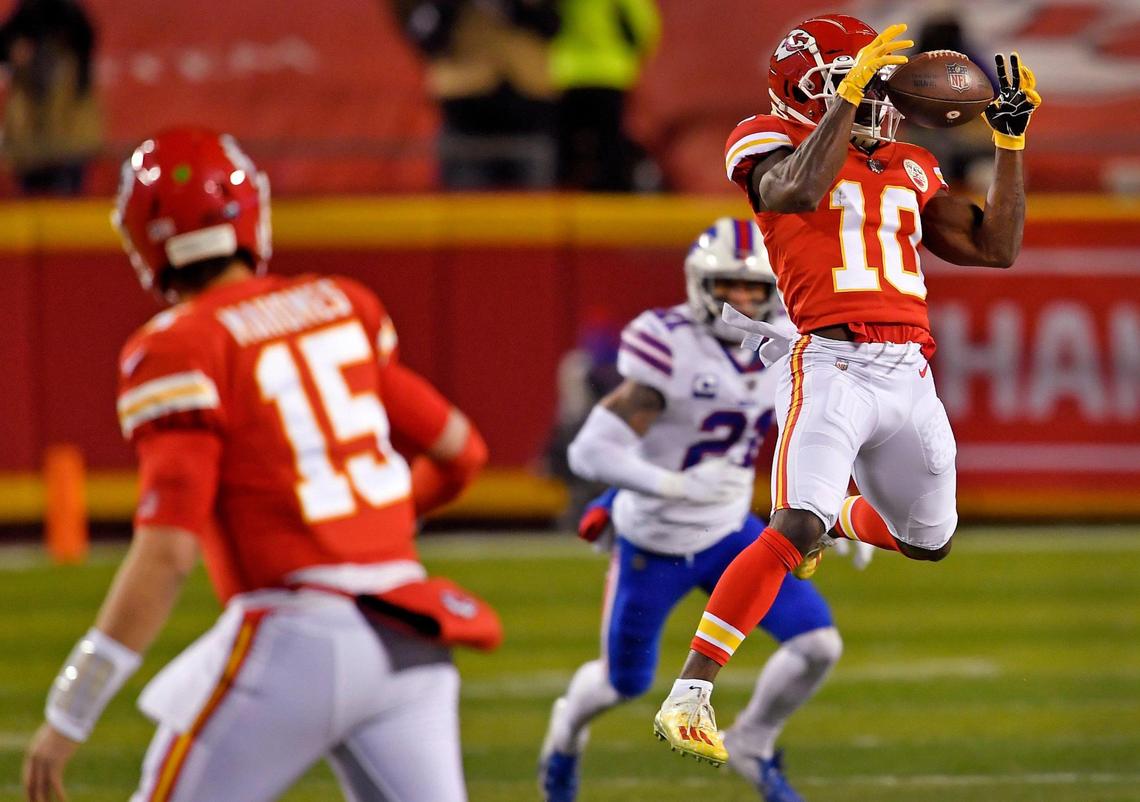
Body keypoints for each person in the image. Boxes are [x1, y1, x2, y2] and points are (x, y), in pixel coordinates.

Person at [21, 127, 499, 802]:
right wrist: (363, 529)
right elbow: (461, 451)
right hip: (409, 634)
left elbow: (167, 556)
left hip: (295, 636)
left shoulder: (180, 346)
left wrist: (71, 707)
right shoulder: (341, 304)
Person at [652, 13, 1041, 764]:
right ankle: (691, 695)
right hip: (830, 365)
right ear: (805, 91)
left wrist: (1009, 145)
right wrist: (839, 105)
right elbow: (796, 191)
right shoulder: (761, 137)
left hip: (911, 374)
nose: (872, 104)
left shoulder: (910, 162)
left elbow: (998, 247)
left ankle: (844, 520)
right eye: (849, 88)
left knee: (932, 541)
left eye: (869, 89)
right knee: (792, 525)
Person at [539, 218, 855, 802]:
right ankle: (564, 734)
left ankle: (753, 742)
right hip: (653, 541)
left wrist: (845, 501)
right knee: (620, 684)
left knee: (818, 645)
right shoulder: (668, 344)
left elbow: (822, 426)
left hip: (732, 531)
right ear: (699, 284)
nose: (742, 299)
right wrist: (672, 487)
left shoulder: (789, 340)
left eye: (754, 287)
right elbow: (590, 450)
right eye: (729, 286)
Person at [550, 0, 661, 191]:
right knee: (608, 140)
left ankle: (570, 187)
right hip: (609, 73)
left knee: (572, 141)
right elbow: (644, 28)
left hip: (573, 72)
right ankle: (609, 188)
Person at [0, 0, 102, 194]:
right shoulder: (24, 16)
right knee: (34, 192)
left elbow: (85, 42)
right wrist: (14, 47)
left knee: (66, 192)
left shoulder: (69, 16)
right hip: (31, 134)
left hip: (67, 129)